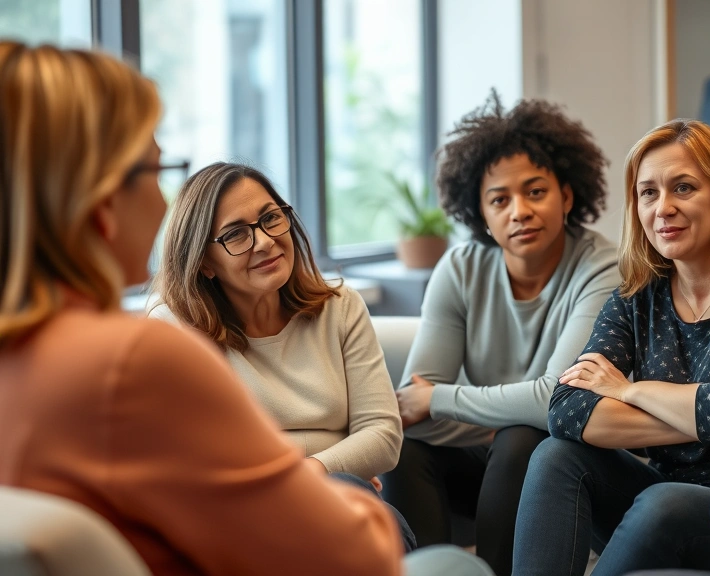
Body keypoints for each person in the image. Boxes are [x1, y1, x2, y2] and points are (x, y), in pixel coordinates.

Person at [0, 41, 490, 576]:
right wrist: (334, 490)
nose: (164, 205)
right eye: (157, 171)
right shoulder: (138, 357)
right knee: (455, 568)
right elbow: (355, 551)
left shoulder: (24, 357)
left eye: (271, 218)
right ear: (101, 202)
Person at [512, 119, 710, 576]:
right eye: (648, 193)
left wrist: (629, 391)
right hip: (659, 497)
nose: (663, 208)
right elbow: (567, 411)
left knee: (663, 501)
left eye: (683, 188)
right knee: (555, 455)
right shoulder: (636, 297)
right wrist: (708, 400)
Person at [382, 93, 621, 576]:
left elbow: (556, 403)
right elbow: (412, 407)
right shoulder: (460, 268)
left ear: (567, 196)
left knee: (520, 438)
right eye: (499, 200)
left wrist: (446, 401)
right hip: (484, 462)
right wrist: (498, 413)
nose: (519, 211)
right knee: (405, 447)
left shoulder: (603, 269)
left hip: (563, 468)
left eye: (535, 192)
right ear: (482, 215)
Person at [150, 162, 414, 551]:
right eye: (236, 234)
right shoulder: (175, 329)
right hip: (242, 518)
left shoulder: (341, 307)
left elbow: (383, 433)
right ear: (204, 262)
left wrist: (316, 471)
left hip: (340, 497)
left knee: (348, 495)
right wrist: (333, 463)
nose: (264, 241)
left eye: (270, 218)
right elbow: (196, 463)